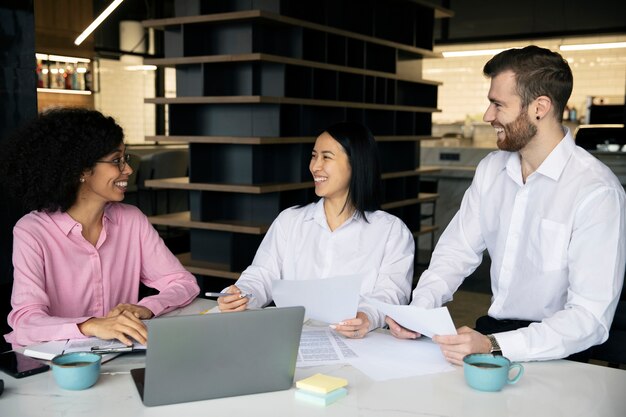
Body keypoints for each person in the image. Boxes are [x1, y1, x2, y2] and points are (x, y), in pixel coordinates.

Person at [387, 45, 626, 364]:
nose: (488, 116)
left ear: (540, 107)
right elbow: (456, 252)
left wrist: (494, 345)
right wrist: (417, 312)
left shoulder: (596, 190)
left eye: (498, 104)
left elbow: (588, 320)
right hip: (494, 333)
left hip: (562, 351)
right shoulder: (491, 169)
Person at [1, 108, 200, 348]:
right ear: (80, 170)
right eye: (117, 160)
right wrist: (90, 325)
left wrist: (146, 308)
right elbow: (25, 320)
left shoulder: (131, 220)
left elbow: (183, 283)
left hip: (119, 355)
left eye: (125, 158)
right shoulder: (32, 230)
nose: (128, 169)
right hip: (56, 364)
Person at [218, 122, 414, 338]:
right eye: (314, 156)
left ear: (356, 163)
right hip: (291, 339)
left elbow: (392, 292)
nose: (315, 166)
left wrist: (366, 316)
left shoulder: (391, 231)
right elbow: (263, 273)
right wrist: (243, 293)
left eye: (326, 157)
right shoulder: (290, 220)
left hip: (359, 345)